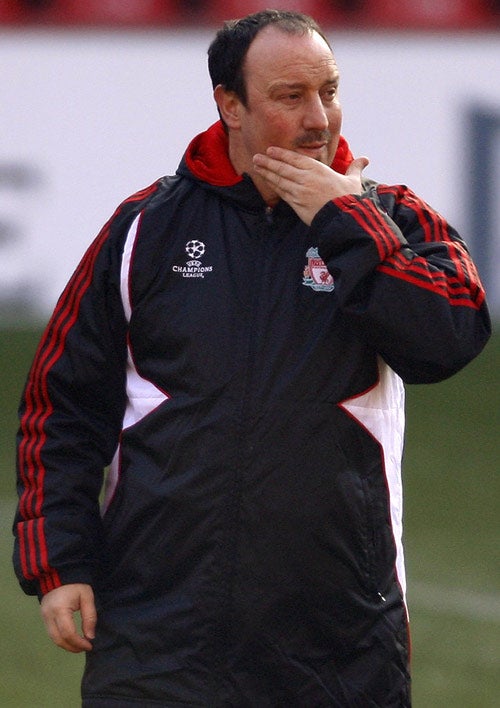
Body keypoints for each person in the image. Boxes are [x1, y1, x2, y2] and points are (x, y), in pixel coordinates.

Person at [13, 9, 490, 707]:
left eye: (328, 90)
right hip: (158, 632)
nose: (319, 118)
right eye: (290, 96)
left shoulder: (394, 219)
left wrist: (347, 222)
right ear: (229, 105)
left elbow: (449, 337)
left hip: (341, 639)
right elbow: (61, 404)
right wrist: (58, 563)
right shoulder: (144, 229)